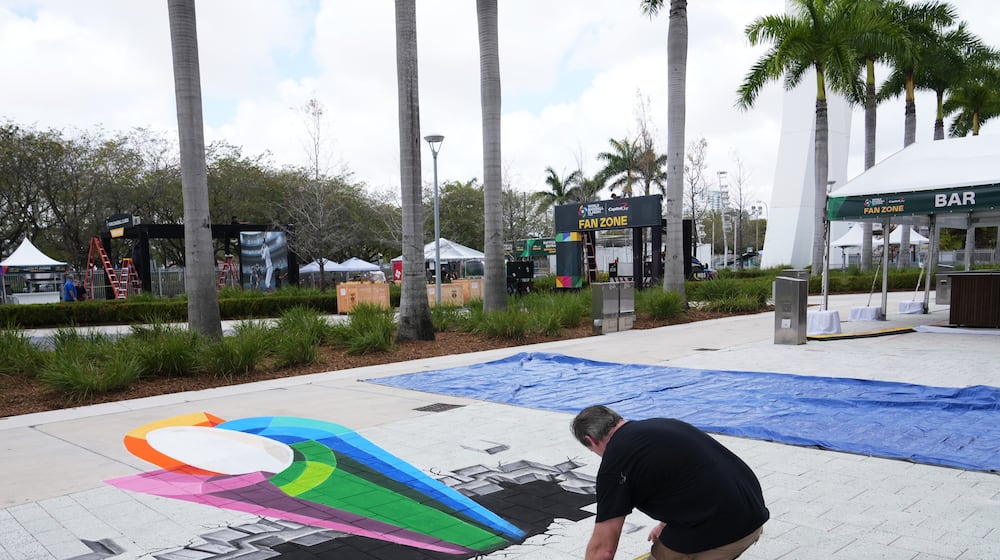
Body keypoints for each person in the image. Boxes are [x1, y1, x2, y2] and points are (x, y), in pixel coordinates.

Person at [571, 405, 768, 560]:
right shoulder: (664, 425)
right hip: (754, 515)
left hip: (724, 531)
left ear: (591, 440)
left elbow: (603, 551)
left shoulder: (615, 462)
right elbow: (689, 478)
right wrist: (666, 522)